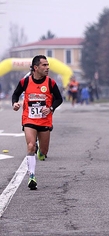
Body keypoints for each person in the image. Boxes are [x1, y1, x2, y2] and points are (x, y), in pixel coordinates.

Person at [11, 55, 63, 190]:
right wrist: (15, 103)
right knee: (30, 145)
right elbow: (15, 94)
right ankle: (32, 176)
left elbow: (59, 99)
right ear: (36, 67)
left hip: (45, 120)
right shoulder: (25, 82)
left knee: (43, 151)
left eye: (48, 65)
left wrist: (50, 108)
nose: (47, 68)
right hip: (29, 119)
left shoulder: (51, 83)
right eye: (44, 65)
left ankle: (41, 151)